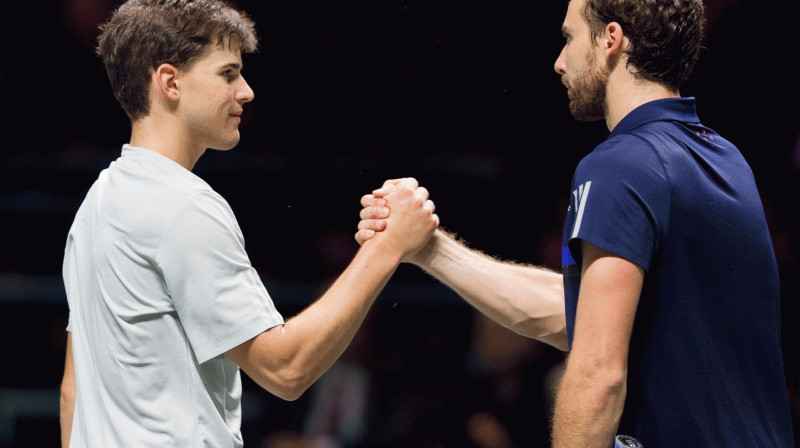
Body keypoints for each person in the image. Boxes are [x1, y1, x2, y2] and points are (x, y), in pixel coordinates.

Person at [355, 0, 796, 446]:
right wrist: (431, 249)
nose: (559, 62)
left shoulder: (618, 165)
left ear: (610, 39)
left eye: (569, 38)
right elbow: (585, 317)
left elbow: (597, 372)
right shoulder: (726, 160)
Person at [58, 1, 439, 446]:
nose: (246, 91)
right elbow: (286, 370)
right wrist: (387, 246)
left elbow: (73, 392)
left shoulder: (98, 203)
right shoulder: (183, 207)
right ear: (169, 81)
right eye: (227, 73)